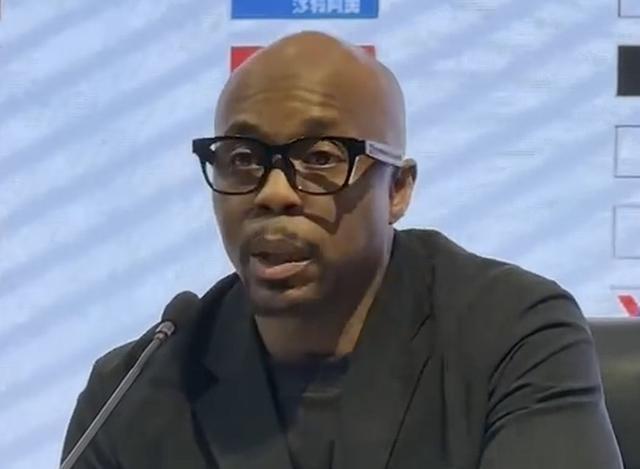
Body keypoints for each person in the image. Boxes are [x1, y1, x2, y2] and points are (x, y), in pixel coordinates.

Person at [62, 31, 624, 469]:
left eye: (320, 158)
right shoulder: (132, 390)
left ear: (397, 190)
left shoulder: (510, 334)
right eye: (242, 159)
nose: (273, 192)